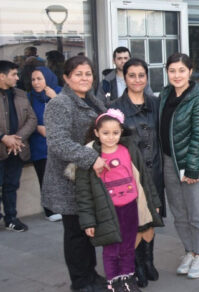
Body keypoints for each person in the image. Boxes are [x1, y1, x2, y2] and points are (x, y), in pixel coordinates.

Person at [76, 109, 163, 292]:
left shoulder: (128, 150)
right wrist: (88, 221)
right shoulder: (90, 157)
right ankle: (114, 283)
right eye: (105, 133)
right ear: (96, 133)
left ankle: (127, 280)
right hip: (108, 211)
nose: (110, 137)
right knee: (111, 249)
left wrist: (153, 203)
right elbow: (84, 193)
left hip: (130, 206)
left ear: (121, 132)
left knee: (128, 246)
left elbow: (144, 179)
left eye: (115, 133)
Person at [43, 55, 108, 291]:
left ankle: (90, 275)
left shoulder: (93, 100)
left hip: (88, 178)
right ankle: (80, 282)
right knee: (76, 233)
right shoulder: (60, 104)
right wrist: (93, 158)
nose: (84, 78)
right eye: (78, 74)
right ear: (66, 78)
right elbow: (58, 143)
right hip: (69, 180)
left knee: (87, 229)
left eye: (88, 73)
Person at [159, 53, 199, 279]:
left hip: (192, 163)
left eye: (181, 70)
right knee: (179, 213)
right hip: (169, 161)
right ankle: (190, 251)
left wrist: (191, 168)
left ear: (190, 72)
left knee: (196, 213)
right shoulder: (165, 93)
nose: (177, 75)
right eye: (172, 70)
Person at [110, 58, 164, 287]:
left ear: (147, 77)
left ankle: (149, 260)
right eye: (132, 75)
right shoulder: (115, 108)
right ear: (124, 77)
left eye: (141, 75)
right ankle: (137, 264)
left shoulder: (155, 103)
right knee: (133, 222)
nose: (137, 80)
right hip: (131, 174)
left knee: (152, 217)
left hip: (156, 171)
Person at [0, 60, 37, 232]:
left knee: (11, 185)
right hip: (2, 147)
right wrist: (3, 138)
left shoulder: (21, 94)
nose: (17, 77)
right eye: (13, 74)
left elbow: (32, 119)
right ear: (2, 76)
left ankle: (11, 218)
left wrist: (17, 138)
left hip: (17, 148)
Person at [27, 66, 63, 222]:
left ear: (48, 78)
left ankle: (64, 207)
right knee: (45, 177)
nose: (36, 83)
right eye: (33, 79)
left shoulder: (60, 92)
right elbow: (28, 118)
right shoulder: (29, 97)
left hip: (59, 144)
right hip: (39, 145)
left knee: (62, 177)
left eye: (39, 78)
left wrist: (54, 98)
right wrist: (37, 127)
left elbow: (67, 114)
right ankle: (49, 210)